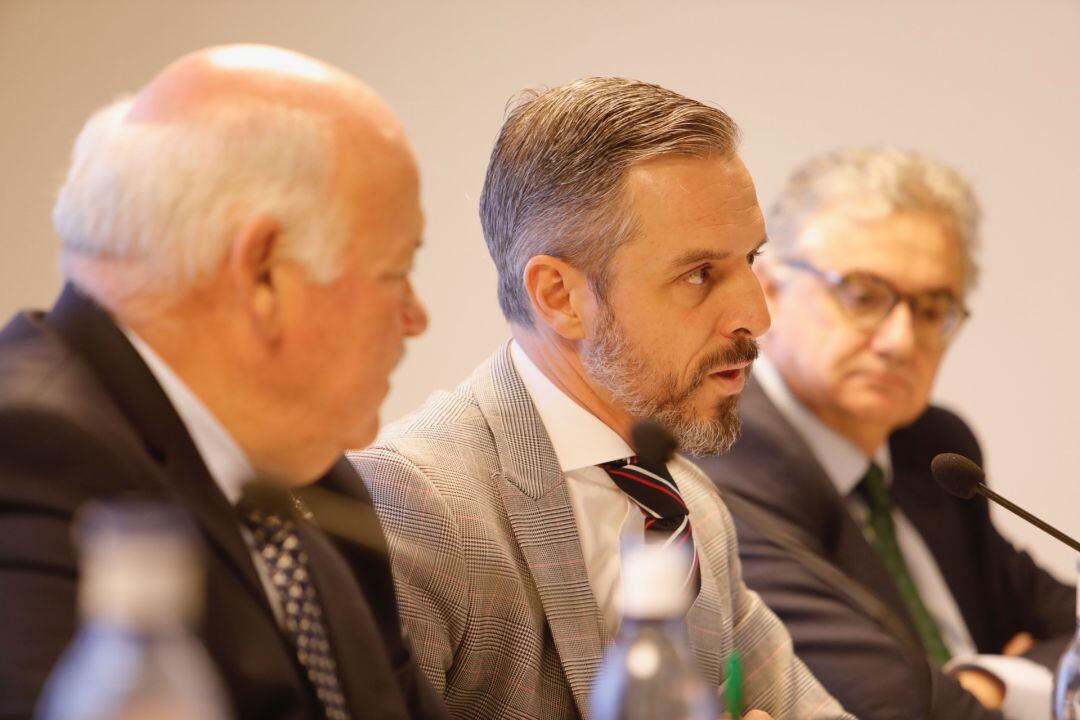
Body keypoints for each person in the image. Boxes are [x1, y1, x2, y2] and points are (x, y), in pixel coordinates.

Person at [350, 77, 851, 719]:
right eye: (699, 274)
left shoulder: (691, 505)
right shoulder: (413, 503)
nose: (756, 315)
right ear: (560, 297)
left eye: (750, 259)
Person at [0, 45, 444, 720]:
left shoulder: (315, 482)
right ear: (263, 275)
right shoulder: (28, 455)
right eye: (394, 274)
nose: (416, 317)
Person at [694, 147, 1075, 720]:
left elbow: (1066, 617)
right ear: (769, 290)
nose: (901, 341)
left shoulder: (934, 449)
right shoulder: (732, 455)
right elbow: (890, 706)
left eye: (931, 309)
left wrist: (990, 680)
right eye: (864, 297)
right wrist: (1042, 685)